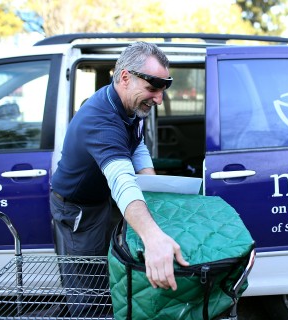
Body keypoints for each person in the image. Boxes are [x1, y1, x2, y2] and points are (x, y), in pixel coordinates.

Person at [49, 42, 189, 306]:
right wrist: (153, 239)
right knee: (89, 289)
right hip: (78, 209)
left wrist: (153, 188)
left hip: (101, 200)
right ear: (125, 77)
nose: (159, 99)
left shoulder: (131, 104)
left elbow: (137, 146)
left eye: (163, 89)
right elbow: (121, 180)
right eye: (152, 88)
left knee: (108, 269)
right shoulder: (100, 119)